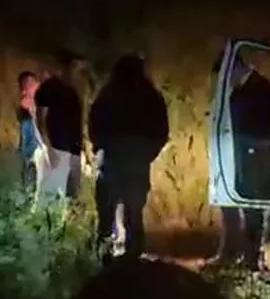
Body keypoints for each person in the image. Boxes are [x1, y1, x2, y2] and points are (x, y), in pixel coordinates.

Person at [89, 53, 169, 263]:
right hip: (137, 161)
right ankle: (133, 255)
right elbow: (161, 130)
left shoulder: (108, 94)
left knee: (106, 210)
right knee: (134, 210)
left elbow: (94, 123)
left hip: (112, 158)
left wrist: (99, 148)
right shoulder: (150, 95)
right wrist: (148, 154)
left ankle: (103, 254)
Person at [222, 56, 270, 268]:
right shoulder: (250, 88)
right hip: (249, 151)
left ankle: (252, 255)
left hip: (256, 153)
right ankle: (246, 253)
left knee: (252, 203)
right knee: (246, 200)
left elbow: (263, 124)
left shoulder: (259, 89)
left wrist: (251, 147)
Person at [34, 50, 87, 201]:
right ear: (64, 68)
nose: (77, 74)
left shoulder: (73, 91)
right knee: (49, 196)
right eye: (75, 68)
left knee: (71, 195)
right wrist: (48, 148)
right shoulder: (49, 88)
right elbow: (40, 119)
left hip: (73, 149)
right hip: (56, 148)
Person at [16, 70, 41, 193]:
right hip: (29, 156)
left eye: (29, 85)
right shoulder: (24, 113)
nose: (25, 91)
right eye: (23, 87)